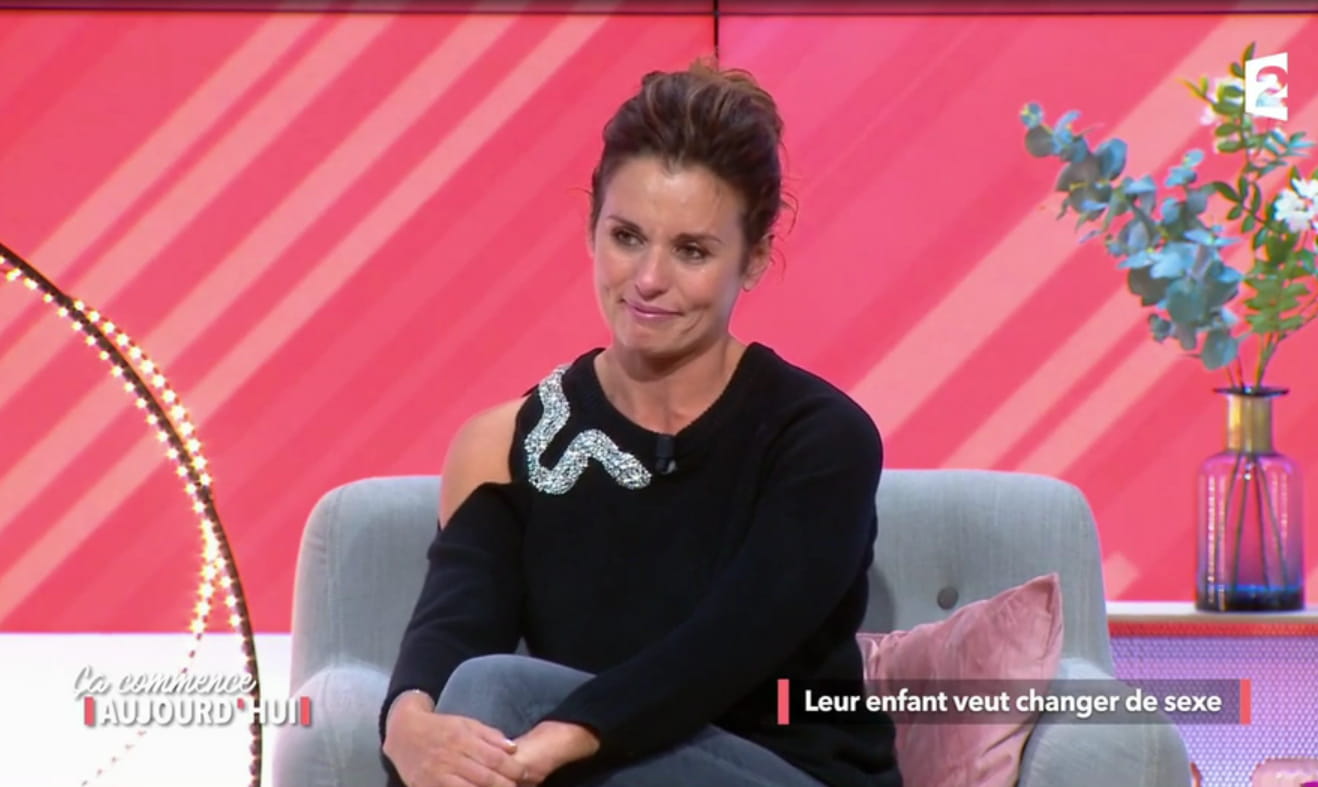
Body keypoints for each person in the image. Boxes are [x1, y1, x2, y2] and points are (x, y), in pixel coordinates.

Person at [379, 58, 901, 787]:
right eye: (627, 236)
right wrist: (406, 724)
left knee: (496, 695)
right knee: (457, 713)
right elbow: (455, 626)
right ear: (591, 228)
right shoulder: (503, 445)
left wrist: (561, 739)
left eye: (692, 250)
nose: (649, 279)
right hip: (586, 771)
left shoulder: (819, 439)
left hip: (785, 773)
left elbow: (730, 645)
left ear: (753, 260)